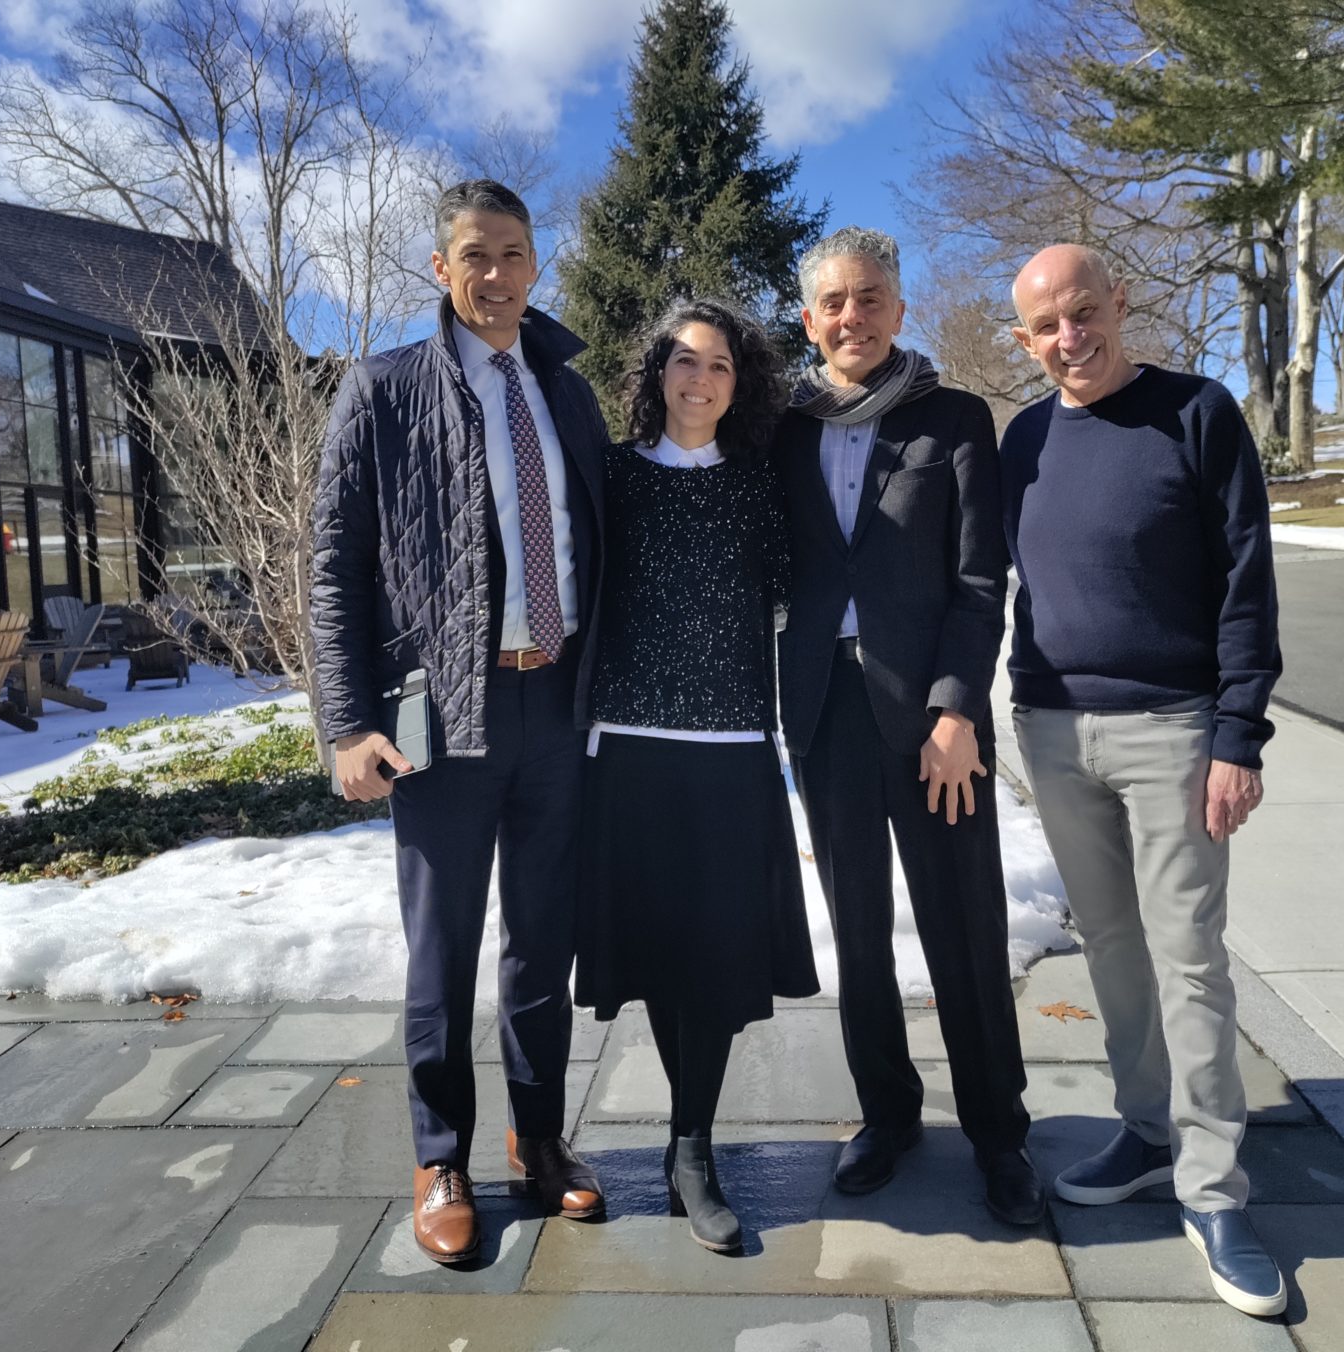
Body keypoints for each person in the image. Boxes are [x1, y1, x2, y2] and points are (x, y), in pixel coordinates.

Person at [310, 179, 608, 1266]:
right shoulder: (383, 389)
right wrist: (347, 722)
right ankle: (442, 1155)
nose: (495, 274)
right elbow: (335, 567)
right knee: (443, 949)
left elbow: (594, 542)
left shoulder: (567, 393)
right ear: (442, 269)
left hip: (556, 700)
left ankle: (538, 1138)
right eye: (473, 255)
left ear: (538, 264)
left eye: (514, 253)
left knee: (543, 943)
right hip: (443, 714)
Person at [1000, 243, 1285, 1317]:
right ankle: (1149, 1126)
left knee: (1190, 954)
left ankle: (1215, 1189)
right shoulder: (1022, 437)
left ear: (1120, 303)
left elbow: (1247, 583)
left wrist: (1237, 734)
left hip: (1174, 729)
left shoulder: (1198, 414)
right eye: (1047, 326)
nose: (1071, 338)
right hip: (1055, 731)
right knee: (1111, 942)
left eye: (1085, 313)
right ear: (1024, 339)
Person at [773, 226, 1043, 1225]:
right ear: (811, 319)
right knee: (859, 933)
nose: (853, 316)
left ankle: (999, 1130)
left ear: (899, 306)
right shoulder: (785, 429)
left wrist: (957, 707)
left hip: (933, 720)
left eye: (871, 297)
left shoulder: (956, 419)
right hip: (825, 714)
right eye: (834, 302)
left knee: (964, 927)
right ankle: (887, 1112)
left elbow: (981, 581)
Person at [574, 297, 818, 1254]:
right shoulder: (613, 478)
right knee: (658, 952)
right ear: (656, 375)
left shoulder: (762, 486)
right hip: (628, 751)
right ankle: (685, 1145)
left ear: (739, 382)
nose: (700, 379)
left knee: (713, 959)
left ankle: (693, 1147)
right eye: (683, 361)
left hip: (729, 755)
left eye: (719, 365)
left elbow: (815, 589)